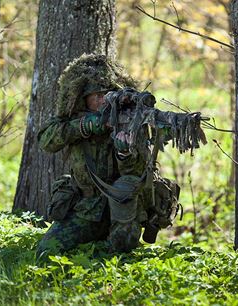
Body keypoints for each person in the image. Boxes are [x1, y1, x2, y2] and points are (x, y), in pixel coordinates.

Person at [36, 54, 161, 259]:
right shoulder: (74, 119)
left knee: (120, 256)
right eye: (97, 95)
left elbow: (136, 175)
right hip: (86, 209)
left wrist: (124, 152)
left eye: (108, 95)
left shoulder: (129, 122)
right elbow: (46, 140)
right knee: (47, 251)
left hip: (121, 210)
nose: (103, 100)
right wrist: (85, 126)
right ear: (83, 98)